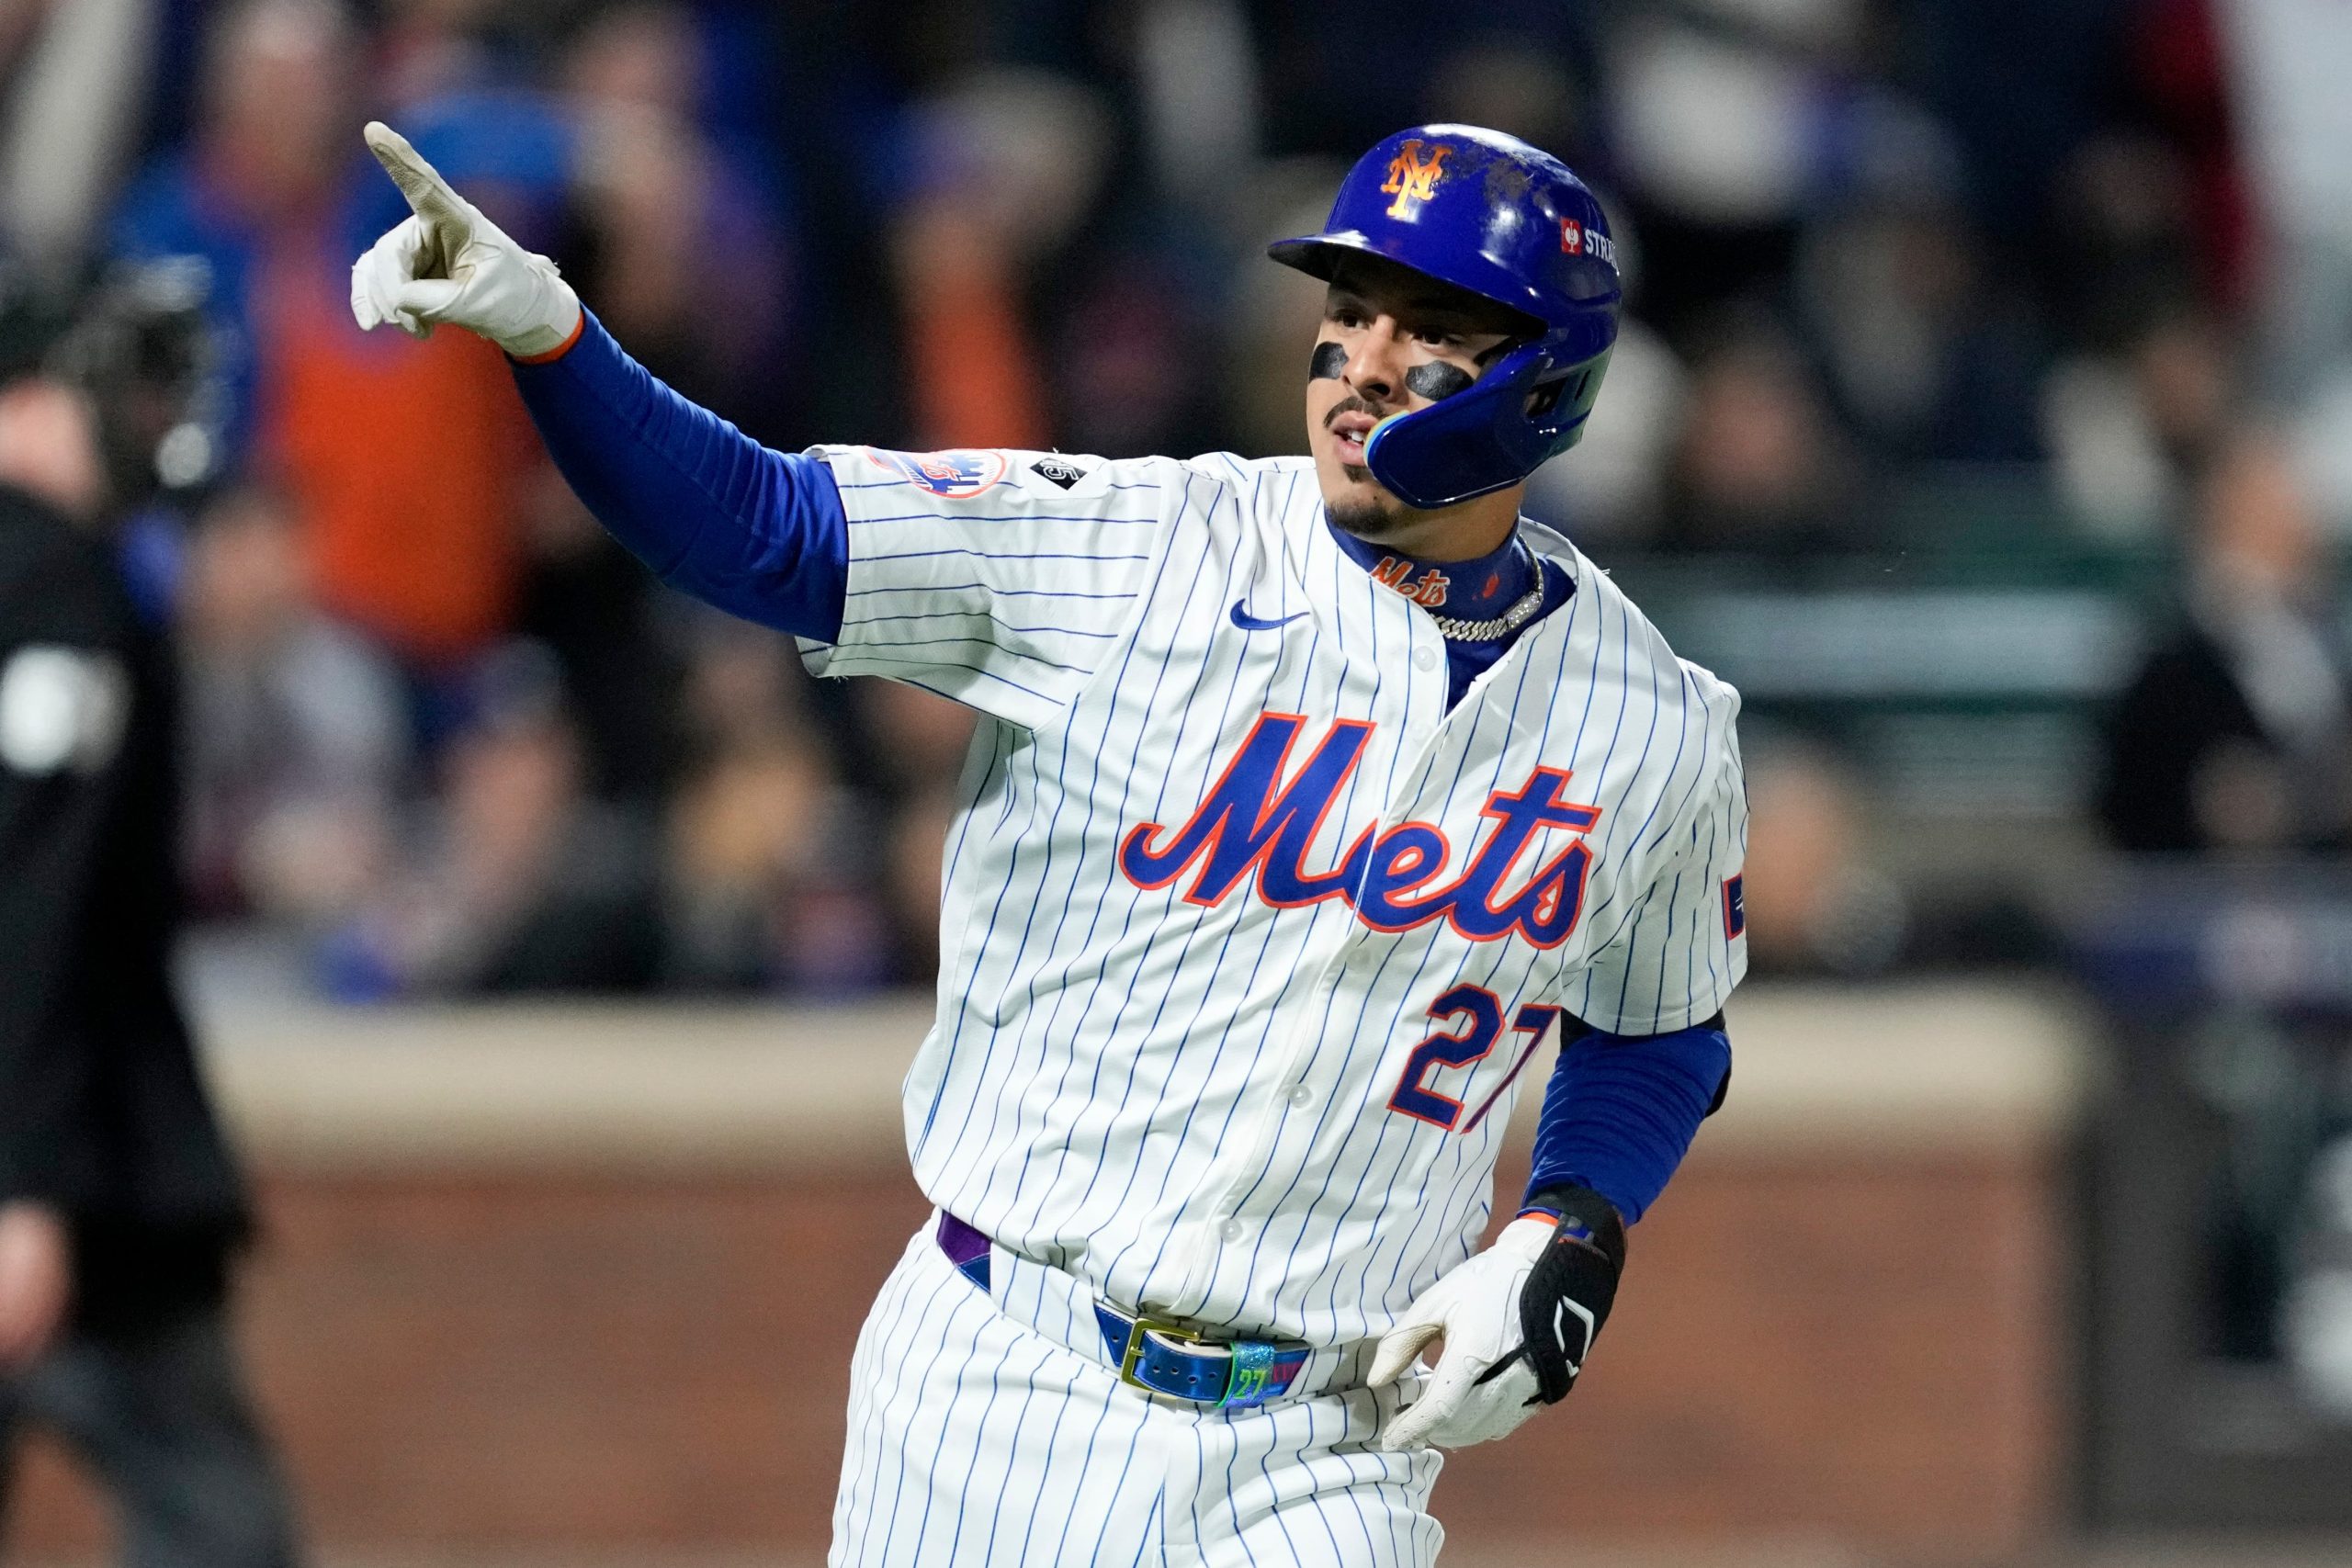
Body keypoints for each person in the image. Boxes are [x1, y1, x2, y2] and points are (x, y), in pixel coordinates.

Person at [352, 119, 1746, 1565]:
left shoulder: (1654, 724)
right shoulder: (1136, 549)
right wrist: (553, 338)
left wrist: (1571, 1227)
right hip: (1003, 1381)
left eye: (1432, 326)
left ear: (1547, 381)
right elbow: (769, 534)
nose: (1364, 361)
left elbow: (1662, 1027)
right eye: (1347, 309)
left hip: (1328, 1446)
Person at [0, 277, 301, 1565]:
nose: (147, 418)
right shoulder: (58, 586)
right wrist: (22, 1189)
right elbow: (33, 899)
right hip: (80, 1187)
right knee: (217, 1531)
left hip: (55, 1160)